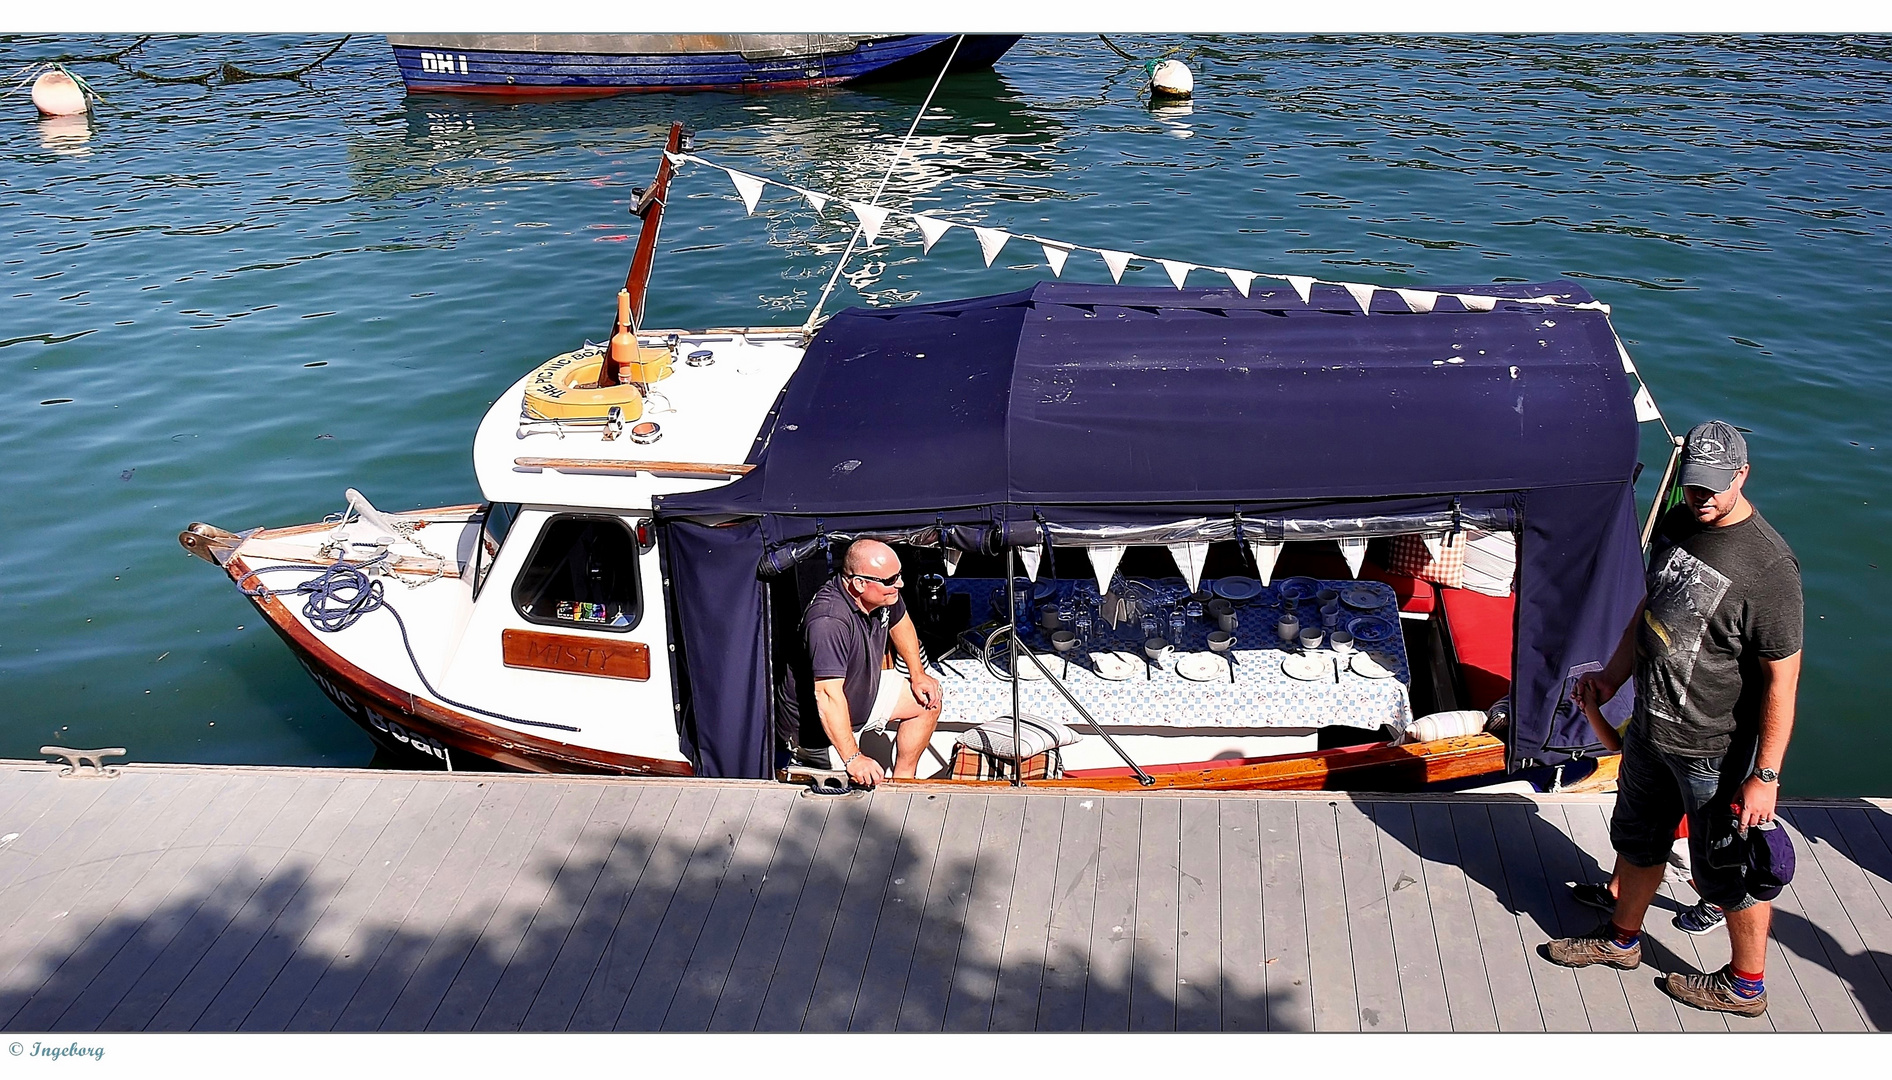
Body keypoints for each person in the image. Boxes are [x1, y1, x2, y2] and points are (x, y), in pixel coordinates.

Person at [1542, 420, 1802, 1017]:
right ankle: (1621, 941)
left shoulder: (1770, 568)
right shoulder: (1678, 520)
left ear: (1743, 474)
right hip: (1651, 731)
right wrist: (1612, 676)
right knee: (1636, 840)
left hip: (1714, 750)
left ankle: (1745, 985)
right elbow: (1653, 603)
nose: (1701, 498)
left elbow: (1782, 680)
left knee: (1726, 872)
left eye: (1715, 486)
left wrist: (1765, 774)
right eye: (1692, 486)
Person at [777, 539, 943, 787]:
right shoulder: (828, 621)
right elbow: (827, 696)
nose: (900, 584)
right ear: (858, 584)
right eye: (890, 580)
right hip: (818, 731)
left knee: (928, 701)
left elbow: (901, 622)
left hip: (862, 694)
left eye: (899, 575)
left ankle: (904, 781)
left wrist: (918, 674)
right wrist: (854, 758)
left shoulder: (885, 594)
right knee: (853, 792)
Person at [1568, 679, 1724, 936]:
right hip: (1640, 800)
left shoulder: (1681, 734)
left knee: (1684, 863)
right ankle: (1615, 893)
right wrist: (1590, 707)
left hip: (1674, 823)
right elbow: (1614, 743)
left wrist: (1591, 706)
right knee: (1631, 845)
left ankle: (1716, 903)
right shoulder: (1644, 719)